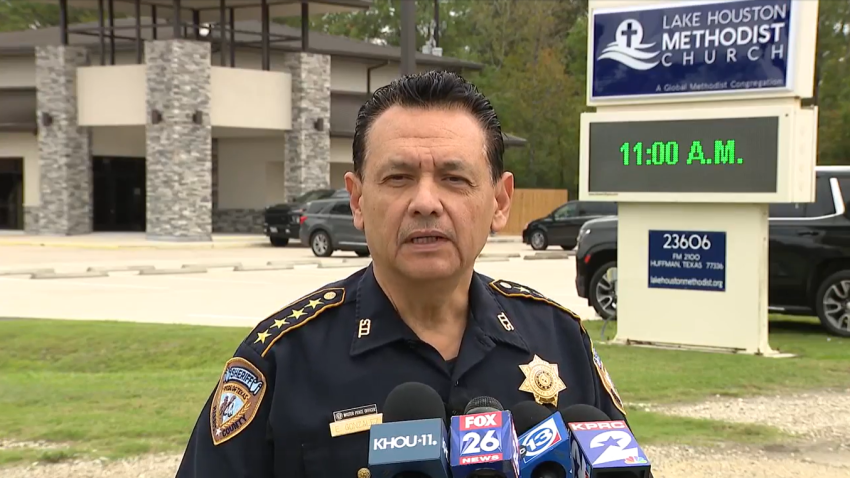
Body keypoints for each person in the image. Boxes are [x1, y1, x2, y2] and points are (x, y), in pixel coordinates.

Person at [175, 70, 627, 478]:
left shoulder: (560, 338)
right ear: (356, 201)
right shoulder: (282, 360)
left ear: (500, 201)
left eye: (454, 178)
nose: (426, 202)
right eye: (398, 178)